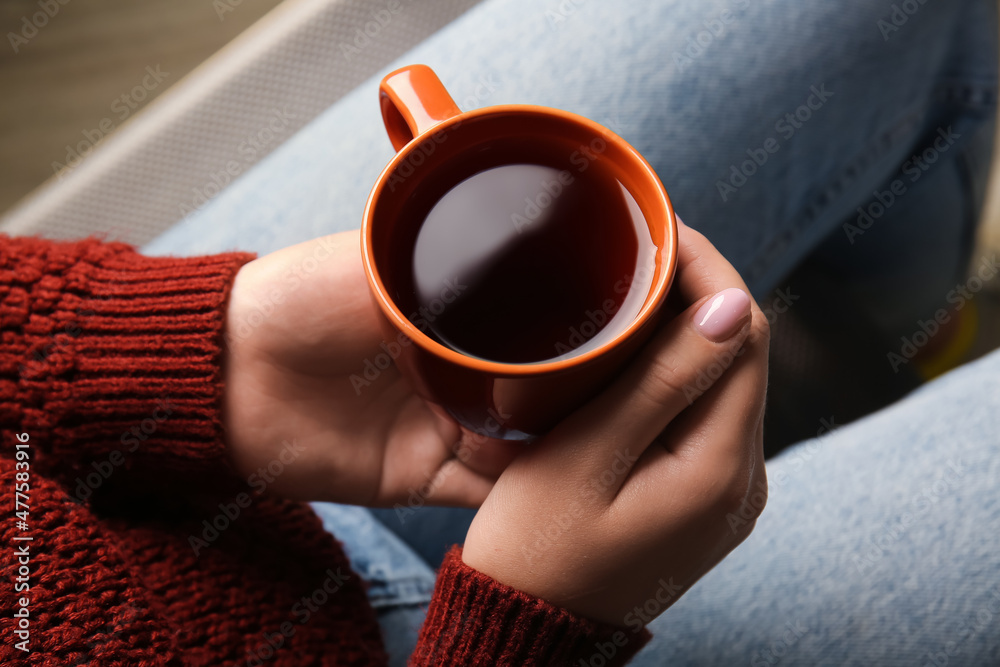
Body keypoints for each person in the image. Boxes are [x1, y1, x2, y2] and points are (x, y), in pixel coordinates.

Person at [3, 1, 998, 666]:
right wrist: (521, 637)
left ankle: (898, 328)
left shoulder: (152, 364)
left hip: (116, 434)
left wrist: (144, 346)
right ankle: (889, 337)